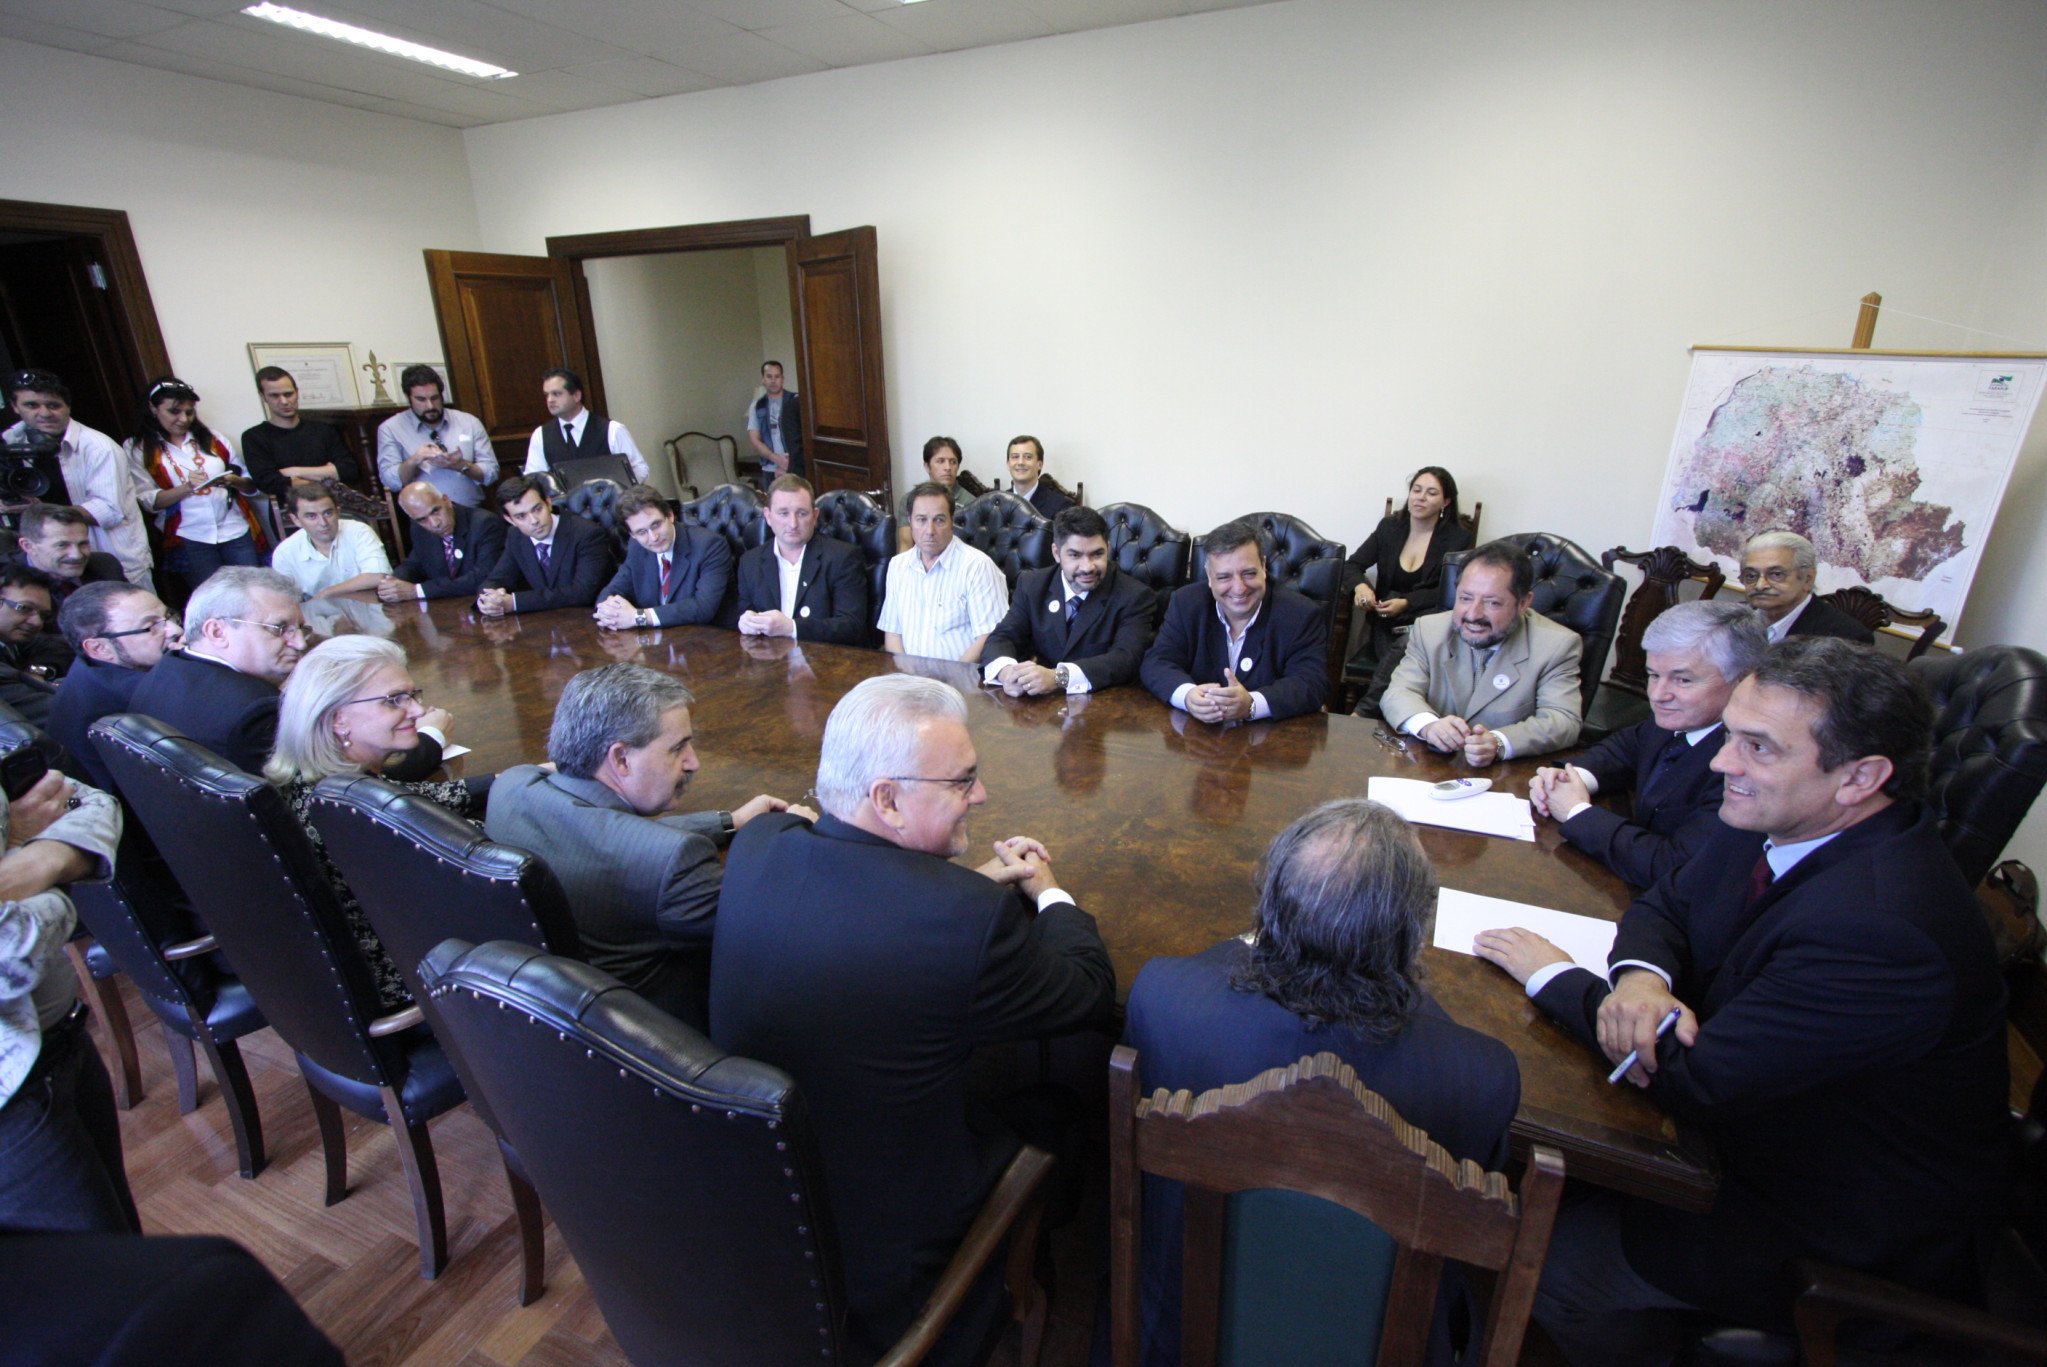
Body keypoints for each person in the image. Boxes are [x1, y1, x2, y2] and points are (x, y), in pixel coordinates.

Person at [1473, 639, 2007, 1364]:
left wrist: (1553, 976)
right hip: (1748, 1133)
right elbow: (1666, 904)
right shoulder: (1779, 817)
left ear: (1860, 776)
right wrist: (1641, 980)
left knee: (1551, 1267)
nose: (1723, 762)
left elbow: (1696, 1076)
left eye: (1757, 746)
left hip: (1824, 1218)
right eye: (1729, 735)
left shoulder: (1883, 931)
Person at [710, 675, 1116, 1367]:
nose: (980, 795)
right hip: (889, 1264)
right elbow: (1088, 992)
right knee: (1059, 1109)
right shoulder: (967, 918)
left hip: (762, 1201)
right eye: (962, 781)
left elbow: (855, 898)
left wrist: (955, 889)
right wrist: (1050, 893)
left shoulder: (760, 843)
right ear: (887, 799)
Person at [1125, 798, 1521, 1367]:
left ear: (1270, 909)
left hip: (1177, 1330)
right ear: (1412, 937)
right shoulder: (1480, 1077)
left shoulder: (1163, 998)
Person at [487, 663, 810, 1025]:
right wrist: (796, 838)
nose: (694, 762)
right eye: (678, 748)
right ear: (621, 759)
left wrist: (728, 822)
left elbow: (608, 835)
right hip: (665, 1034)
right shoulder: (672, 867)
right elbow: (775, 922)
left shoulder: (511, 786)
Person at [265, 636, 475, 1011]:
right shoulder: (357, 810)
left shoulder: (312, 779)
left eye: (412, 695)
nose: (418, 710)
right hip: (418, 981)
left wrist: (522, 778)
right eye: (394, 700)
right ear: (337, 718)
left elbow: (418, 796)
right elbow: (472, 858)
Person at [1530, 601, 1766, 888]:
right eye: (1654, 675)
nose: (1658, 695)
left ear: (1742, 680)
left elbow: (1674, 866)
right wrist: (1570, 779)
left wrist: (1575, 811)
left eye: (1682, 680)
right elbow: (1623, 748)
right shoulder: (1682, 716)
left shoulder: (1745, 764)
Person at [130, 567, 448, 781]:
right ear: (217, 631)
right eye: (279, 628)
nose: (298, 643)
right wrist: (431, 737)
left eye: (300, 629)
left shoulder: (163, 673)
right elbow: (349, 790)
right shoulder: (255, 711)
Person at [0, 765, 132, 1232]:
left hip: (64, 1033)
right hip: (9, 1100)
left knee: (123, 1235)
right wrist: (56, 888)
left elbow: (91, 799)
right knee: (100, 1265)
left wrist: (36, 860)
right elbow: (13, 951)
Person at [1380, 539, 1583, 762]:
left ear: (1523, 603)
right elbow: (1398, 693)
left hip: (1506, 774)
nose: (1473, 614)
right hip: (1429, 765)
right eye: (1465, 598)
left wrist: (1498, 742)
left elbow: (1564, 721)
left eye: (1492, 602)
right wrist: (1428, 725)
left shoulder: (1556, 646)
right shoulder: (1429, 630)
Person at [1140, 520, 1328, 722]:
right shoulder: (1186, 603)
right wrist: (1187, 696)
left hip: (1270, 735)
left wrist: (1252, 704)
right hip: (1198, 732)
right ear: (1209, 576)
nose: (1239, 588)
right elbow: (1157, 662)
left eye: (1249, 573)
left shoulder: (1300, 614)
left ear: (1263, 567)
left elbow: (1311, 683)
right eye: (1224, 577)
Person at [981, 505, 1155, 695]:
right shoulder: (1032, 585)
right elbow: (1002, 638)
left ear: (1108, 548)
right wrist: (1008, 674)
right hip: (1041, 702)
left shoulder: (1134, 596)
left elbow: (1126, 660)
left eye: (1097, 554)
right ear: (1056, 553)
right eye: (1075, 555)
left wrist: (1059, 678)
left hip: (1102, 701)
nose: (1087, 567)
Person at [1343, 467, 1474, 715]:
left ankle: (1362, 713)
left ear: (1446, 502)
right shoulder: (1389, 528)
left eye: (1431, 493)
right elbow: (1352, 566)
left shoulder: (1458, 539)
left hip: (1427, 622)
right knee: (1401, 654)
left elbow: (1451, 591)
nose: (1421, 497)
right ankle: (1388, 716)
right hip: (1387, 621)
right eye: (1416, 490)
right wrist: (1361, 588)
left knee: (1408, 645)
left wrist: (1407, 602)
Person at [4, 370, 152, 588]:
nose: (44, 413)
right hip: (52, 565)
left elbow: (108, 511)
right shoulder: (10, 441)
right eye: (31, 405)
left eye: (53, 405)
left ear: (68, 406)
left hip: (111, 560)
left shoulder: (99, 448)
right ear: (15, 406)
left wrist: (40, 512)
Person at [124, 376, 266, 589]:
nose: (183, 419)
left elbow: (251, 485)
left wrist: (234, 481)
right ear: (153, 408)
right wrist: (187, 488)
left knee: (253, 589)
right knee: (211, 596)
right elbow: (148, 501)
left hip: (234, 528)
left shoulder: (214, 439)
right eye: (174, 411)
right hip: (190, 535)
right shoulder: (139, 448)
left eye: (189, 412)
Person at [50, 581, 182, 793]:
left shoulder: (88, 668)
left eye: (168, 617)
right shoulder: (144, 695)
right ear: (100, 648)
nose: (176, 630)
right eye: (151, 627)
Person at [877, 482, 1010, 662]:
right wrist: (906, 672)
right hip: (908, 674)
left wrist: (951, 675)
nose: (929, 531)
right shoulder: (897, 566)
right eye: (921, 520)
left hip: (961, 675)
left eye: (939, 520)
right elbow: (893, 633)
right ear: (910, 521)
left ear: (952, 521)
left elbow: (990, 637)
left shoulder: (978, 567)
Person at [732, 474, 869, 645]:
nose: (793, 524)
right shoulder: (750, 562)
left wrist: (792, 628)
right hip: (768, 656)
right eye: (783, 513)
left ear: (815, 516)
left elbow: (851, 627)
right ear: (768, 516)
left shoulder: (842, 557)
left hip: (825, 657)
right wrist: (746, 622)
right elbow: (745, 613)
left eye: (801, 513)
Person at [591, 484, 730, 630]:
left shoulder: (709, 545)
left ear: (670, 516)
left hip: (701, 636)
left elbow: (703, 607)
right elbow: (612, 592)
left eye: (656, 525)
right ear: (632, 535)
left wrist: (639, 617)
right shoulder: (637, 547)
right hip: (655, 638)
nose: (653, 537)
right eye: (641, 532)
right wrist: (607, 612)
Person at [476, 475, 616, 618]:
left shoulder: (587, 534)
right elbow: (496, 580)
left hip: (588, 619)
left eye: (537, 509)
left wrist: (515, 602)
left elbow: (582, 593)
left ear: (548, 503)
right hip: (545, 620)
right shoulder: (516, 536)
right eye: (521, 516)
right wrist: (488, 600)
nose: (534, 521)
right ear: (509, 520)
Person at [374, 364, 497, 508]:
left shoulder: (469, 422)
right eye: (421, 399)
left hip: (472, 511)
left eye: (435, 398)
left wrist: (461, 466)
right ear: (408, 397)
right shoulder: (390, 429)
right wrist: (415, 460)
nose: (430, 406)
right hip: (425, 517)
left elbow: (491, 473)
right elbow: (391, 482)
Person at [238, 367, 361, 499]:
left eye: (288, 394)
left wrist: (293, 472)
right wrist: (326, 474)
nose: (284, 402)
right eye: (274, 396)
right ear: (263, 397)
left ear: (297, 392)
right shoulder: (253, 437)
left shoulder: (323, 430)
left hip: (333, 504)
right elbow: (268, 483)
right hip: (289, 508)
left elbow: (349, 471)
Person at [375, 480, 506, 603]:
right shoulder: (418, 528)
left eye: (436, 511)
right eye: (422, 519)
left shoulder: (485, 524)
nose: (435, 523)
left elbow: (482, 578)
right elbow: (414, 564)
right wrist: (392, 584)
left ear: (446, 500)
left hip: (480, 604)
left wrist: (417, 591)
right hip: (444, 606)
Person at [1739, 529, 1874, 644]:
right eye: (1751, 575)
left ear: (1808, 578)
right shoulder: (1734, 619)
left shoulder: (1846, 637)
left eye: (1776, 574)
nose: (1760, 586)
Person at [522, 368, 649, 485]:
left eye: (557, 394)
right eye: (547, 395)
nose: (550, 400)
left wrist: (618, 489)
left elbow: (640, 469)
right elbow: (533, 478)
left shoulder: (612, 430)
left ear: (576, 395)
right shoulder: (541, 435)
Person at [268, 482, 392, 600]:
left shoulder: (359, 531)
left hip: (368, 605)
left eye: (328, 513)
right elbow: (285, 600)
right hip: (317, 612)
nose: (323, 523)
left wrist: (327, 593)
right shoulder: (284, 553)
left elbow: (378, 576)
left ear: (337, 512)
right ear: (296, 520)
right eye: (311, 516)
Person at [16, 503, 129, 609]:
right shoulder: (9, 583)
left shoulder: (105, 566)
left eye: (83, 544)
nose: (77, 555)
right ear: (28, 546)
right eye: (62, 545)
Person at [0, 562, 72, 721]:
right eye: (24, 608)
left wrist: (37, 671)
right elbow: (59, 714)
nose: (37, 622)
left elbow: (57, 644)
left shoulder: (10, 637)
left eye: (44, 616)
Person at [745, 360, 803, 485]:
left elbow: (804, 436)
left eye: (777, 376)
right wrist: (776, 459)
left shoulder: (796, 401)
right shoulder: (757, 406)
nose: (773, 380)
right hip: (769, 470)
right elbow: (754, 440)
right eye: (769, 376)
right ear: (763, 379)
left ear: (783, 379)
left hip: (796, 467)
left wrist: (788, 463)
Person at [1004, 434, 1071, 517]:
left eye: (1028, 457)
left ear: (1040, 464)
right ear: (1008, 464)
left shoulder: (1060, 506)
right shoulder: (997, 503)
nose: (1020, 462)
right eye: (1015, 457)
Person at [923, 435, 974, 513]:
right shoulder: (911, 500)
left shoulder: (971, 504)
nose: (948, 467)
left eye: (953, 462)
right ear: (927, 467)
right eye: (940, 461)